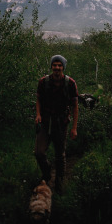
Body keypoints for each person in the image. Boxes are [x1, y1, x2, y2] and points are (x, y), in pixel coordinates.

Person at [35, 55, 78, 194]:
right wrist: (38, 114)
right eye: (55, 65)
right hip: (46, 122)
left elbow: (75, 106)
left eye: (60, 65)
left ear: (63, 67)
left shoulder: (70, 83)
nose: (57, 68)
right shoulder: (43, 82)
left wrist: (74, 128)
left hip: (61, 123)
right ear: (51, 66)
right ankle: (47, 174)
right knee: (39, 152)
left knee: (60, 155)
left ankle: (59, 184)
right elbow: (39, 100)